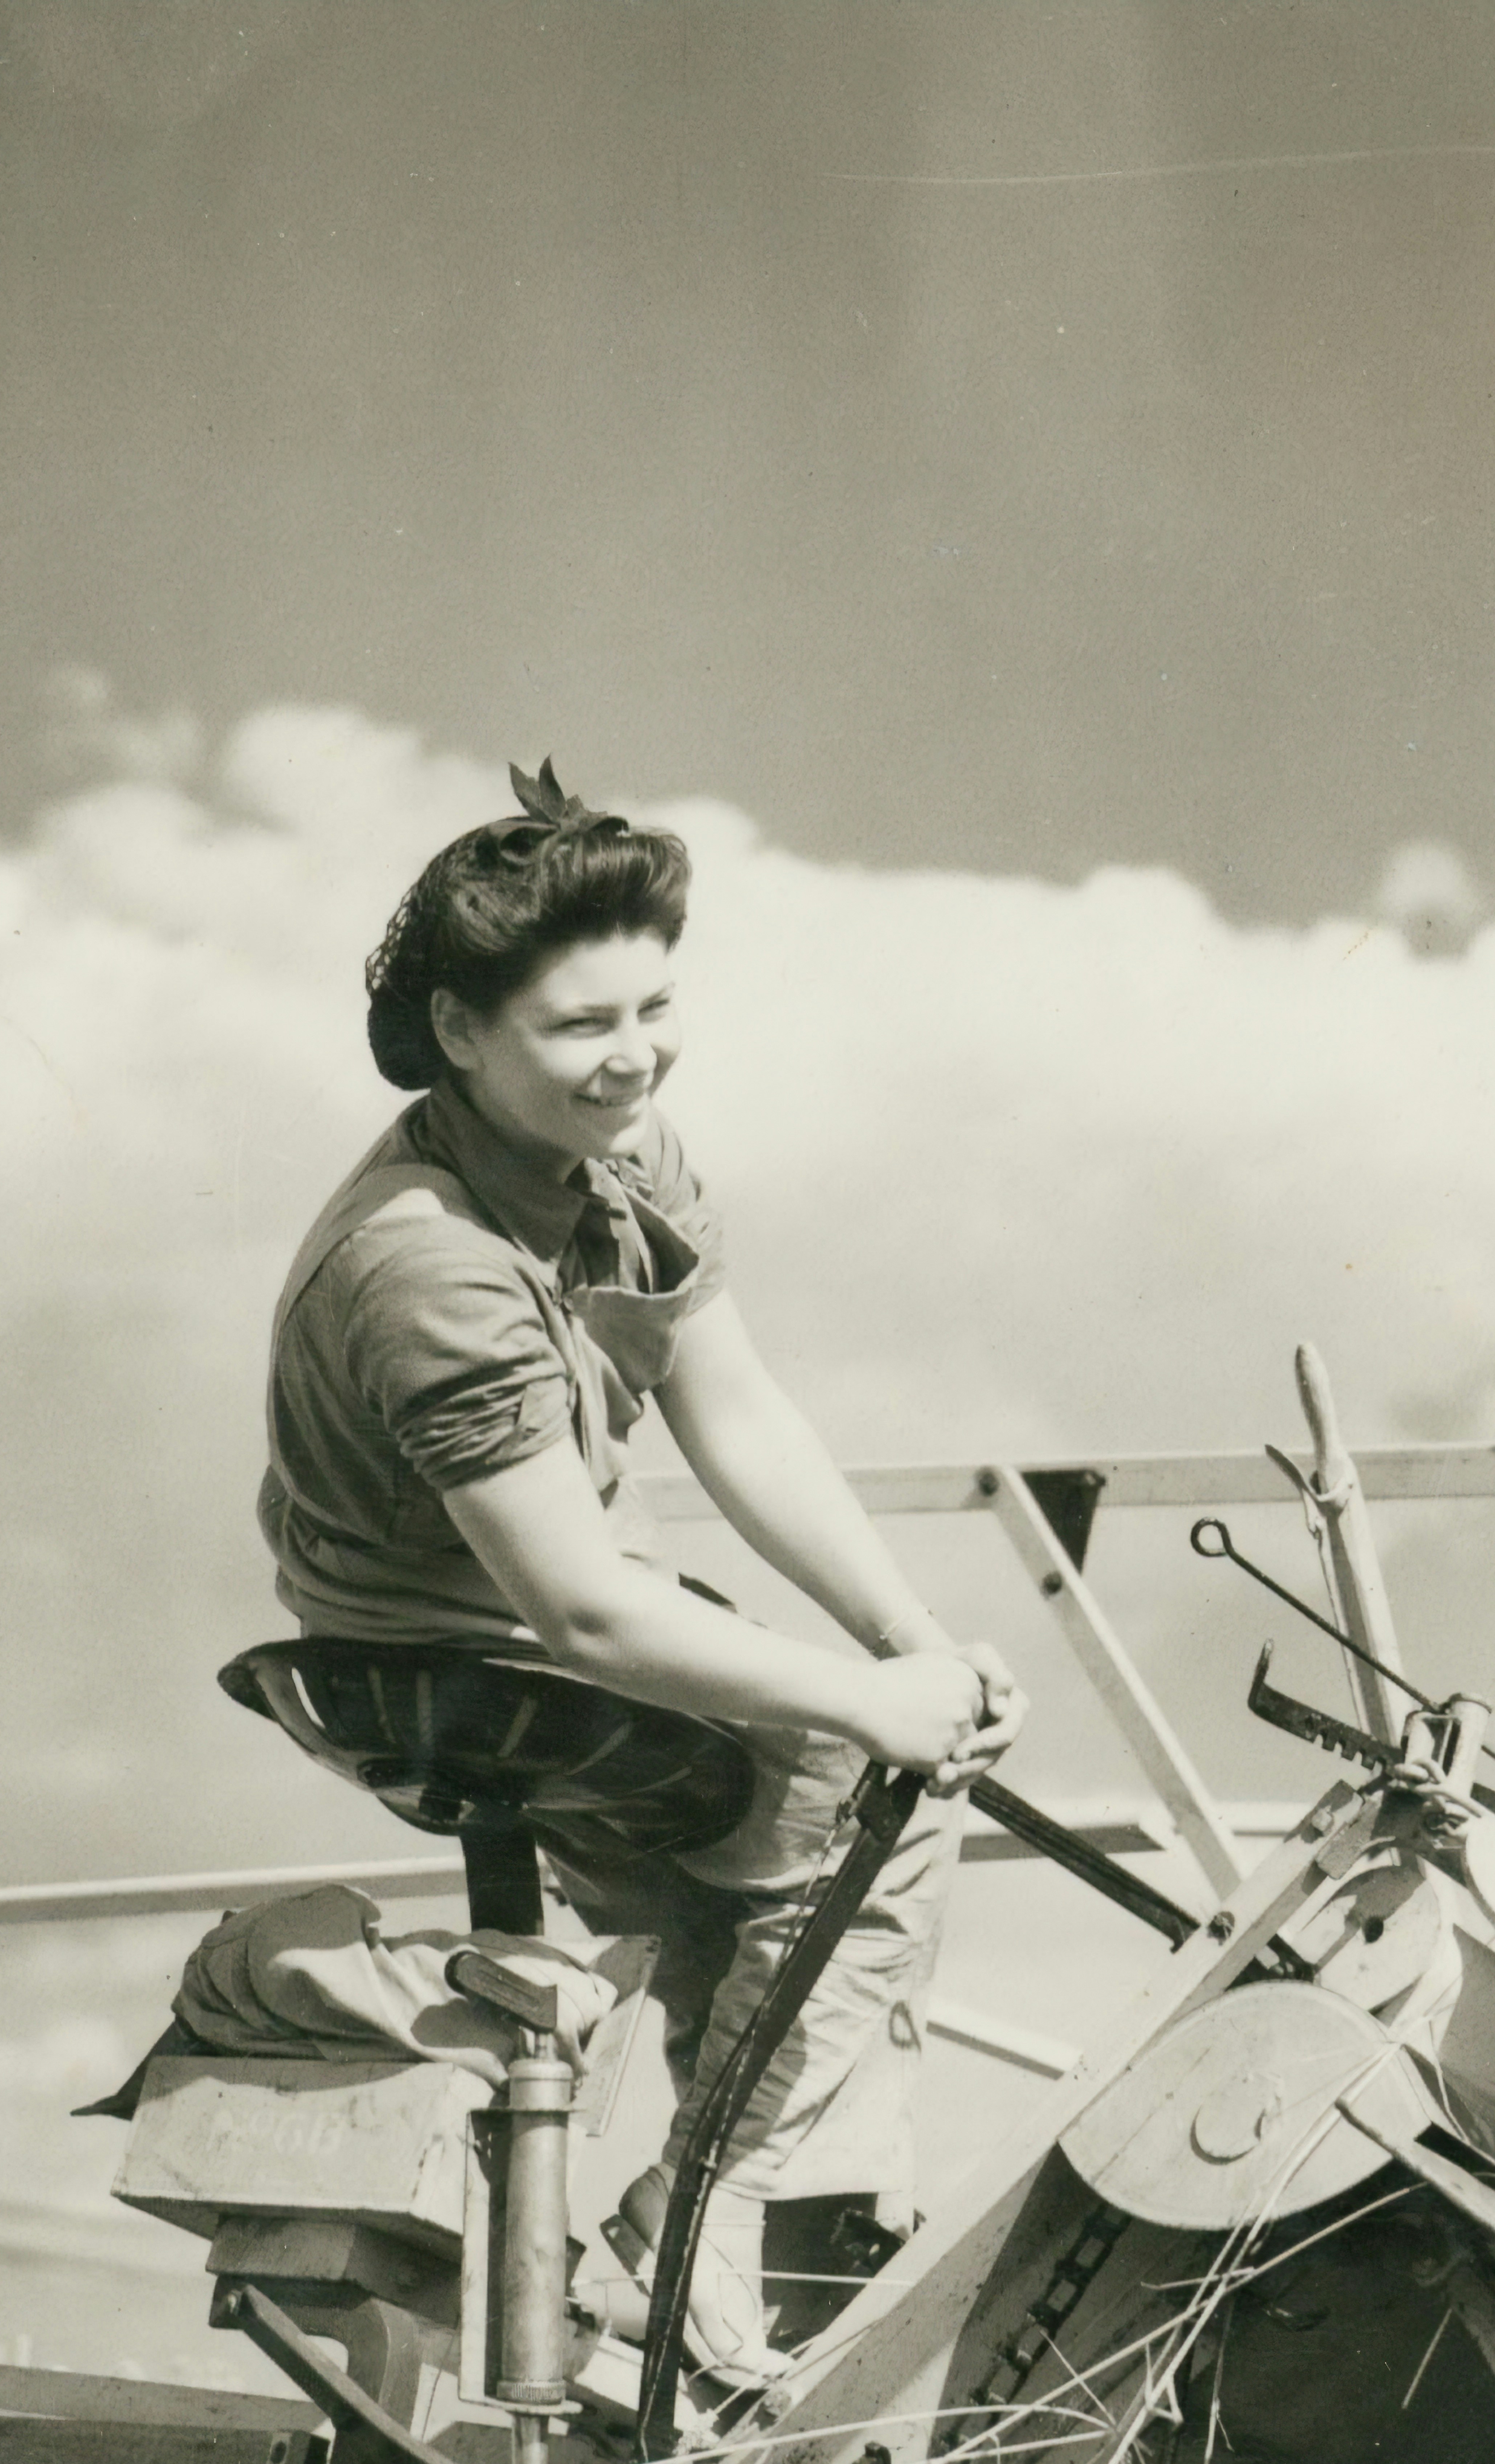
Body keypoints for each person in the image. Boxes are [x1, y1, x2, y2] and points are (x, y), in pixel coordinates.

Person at [258, 761, 1022, 2375]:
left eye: (653, 1008)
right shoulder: (425, 1263)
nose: (633, 1056)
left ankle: (694, 2266)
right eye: (580, 1026)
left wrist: (907, 1634)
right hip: (429, 1650)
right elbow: (580, 1607)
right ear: (462, 1035)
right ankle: (673, 2250)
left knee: (795, 1833)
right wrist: (868, 1706)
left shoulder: (624, 1154)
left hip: (540, 1604)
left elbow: (732, 1408)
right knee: (851, 1782)